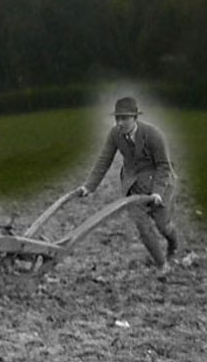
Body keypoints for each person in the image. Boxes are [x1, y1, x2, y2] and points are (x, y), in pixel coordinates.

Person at [75, 96, 180, 269]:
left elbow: (163, 166)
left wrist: (157, 192)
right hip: (133, 187)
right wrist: (89, 186)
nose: (120, 122)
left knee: (163, 225)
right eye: (118, 118)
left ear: (135, 118)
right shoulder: (115, 134)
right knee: (143, 226)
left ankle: (173, 246)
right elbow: (104, 160)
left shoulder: (153, 135)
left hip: (160, 184)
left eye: (125, 118)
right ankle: (162, 264)